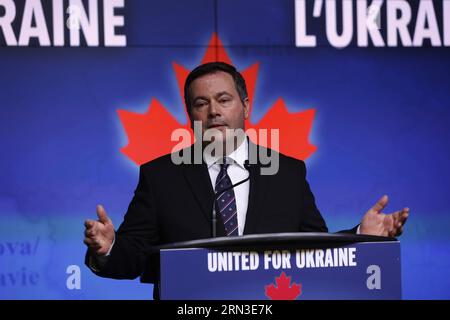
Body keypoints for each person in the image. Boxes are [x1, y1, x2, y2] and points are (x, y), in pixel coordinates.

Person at [84, 62, 409, 297]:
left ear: (245, 107)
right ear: (190, 115)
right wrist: (109, 248)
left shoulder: (288, 173)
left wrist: (360, 235)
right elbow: (133, 258)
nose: (213, 111)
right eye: (201, 103)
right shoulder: (160, 176)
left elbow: (315, 252)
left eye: (224, 100)